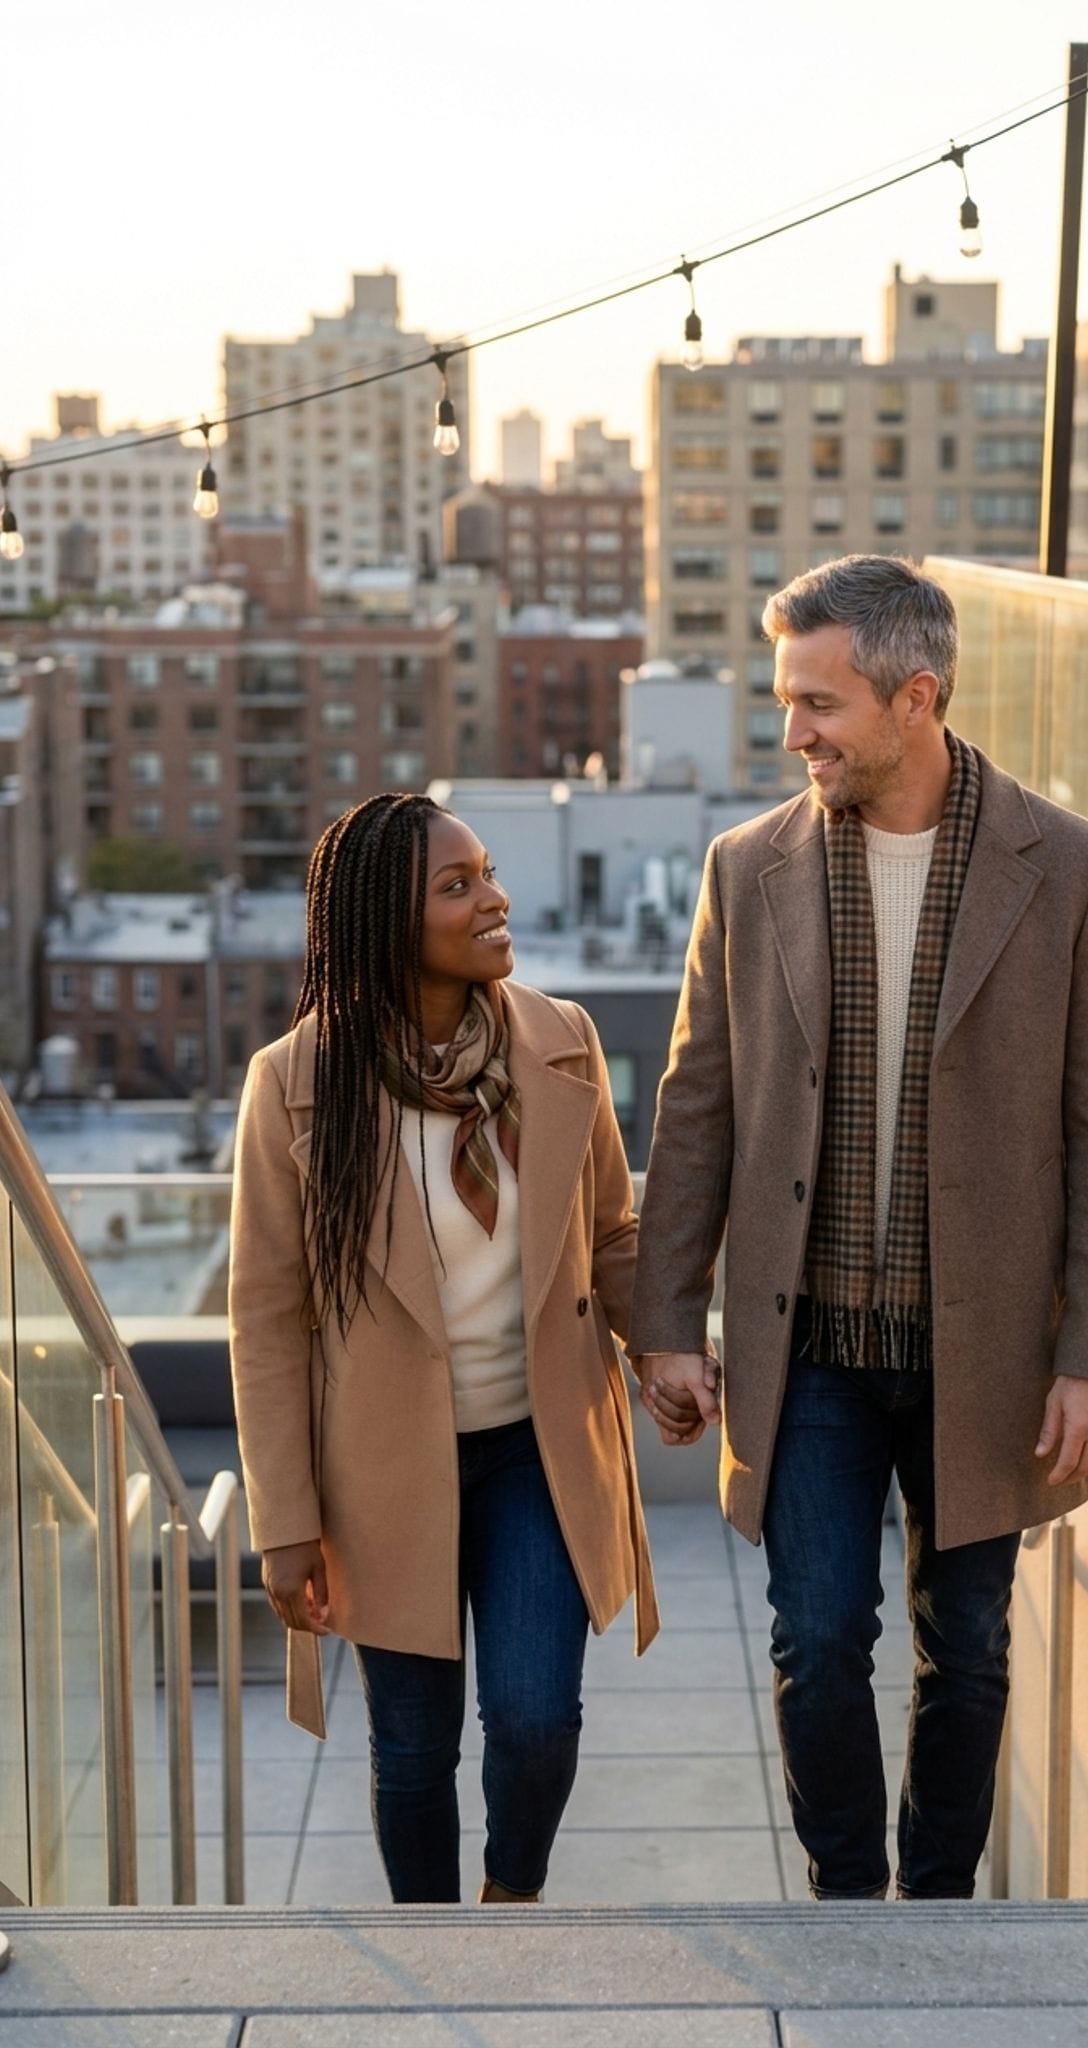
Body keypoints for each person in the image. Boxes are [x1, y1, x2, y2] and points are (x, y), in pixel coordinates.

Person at [630, 556, 1088, 1902]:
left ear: (914, 698)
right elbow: (696, 1105)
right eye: (785, 700)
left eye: (818, 703)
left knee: (965, 1645)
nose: (791, 731)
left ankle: (934, 1907)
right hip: (804, 1347)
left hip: (984, 1350)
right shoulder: (746, 868)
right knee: (813, 1637)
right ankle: (848, 1903)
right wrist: (665, 1322)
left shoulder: (1071, 869)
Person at [229, 791, 656, 1905]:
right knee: (414, 1754)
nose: (493, 897)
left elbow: (612, 1229)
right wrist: (286, 1523)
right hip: (380, 1472)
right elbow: (268, 1317)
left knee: (532, 1717)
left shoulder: (562, 1041)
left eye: (489, 871)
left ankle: (508, 1901)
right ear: (382, 921)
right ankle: (431, 1943)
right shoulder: (295, 1081)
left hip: (535, 1448)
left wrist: (662, 1346)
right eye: (456, 884)